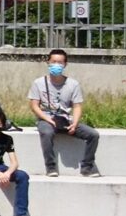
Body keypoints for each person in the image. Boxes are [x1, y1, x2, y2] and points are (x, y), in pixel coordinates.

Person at [27, 49, 101, 178]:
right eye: (53, 62)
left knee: (93, 135)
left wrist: (75, 123)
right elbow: (34, 106)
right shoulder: (38, 83)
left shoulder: (73, 84)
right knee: (47, 132)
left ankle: (87, 167)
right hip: (46, 118)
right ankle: (50, 167)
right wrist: (47, 119)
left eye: (60, 62)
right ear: (48, 62)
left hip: (66, 119)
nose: (56, 65)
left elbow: (77, 106)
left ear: (65, 64)